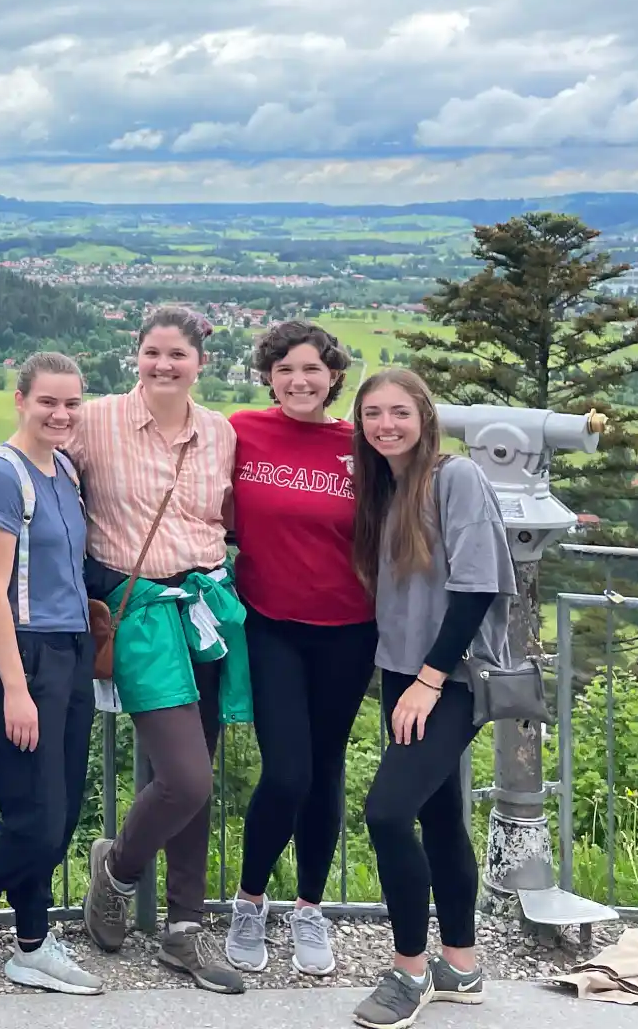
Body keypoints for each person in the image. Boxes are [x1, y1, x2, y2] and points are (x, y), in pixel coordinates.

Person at [77, 306, 247, 994]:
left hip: (205, 606)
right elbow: (34, 452)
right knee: (188, 776)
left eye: (177, 355)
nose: (163, 365)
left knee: (197, 772)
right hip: (140, 608)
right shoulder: (96, 422)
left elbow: (228, 516)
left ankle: (182, 928)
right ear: (136, 356)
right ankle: (116, 870)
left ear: (200, 361)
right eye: (152, 353)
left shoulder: (221, 434)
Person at [348, 369, 511, 1029]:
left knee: (387, 814)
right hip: (404, 674)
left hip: (448, 677)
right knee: (439, 816)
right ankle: (461, 968)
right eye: (372, 414)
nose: (385, 424)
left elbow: (475, 588)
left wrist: (430, 680)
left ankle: (408, 972)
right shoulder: (388, 488)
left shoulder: (456, 478)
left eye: (399, 412)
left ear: (424, 415)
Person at [0, 352, 101, 996]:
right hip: (21, 653)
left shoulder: (63, 467)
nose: (60, 415)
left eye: (71, 403)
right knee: (35, 811)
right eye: (48, 403)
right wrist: (13, 686)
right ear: (20, 400)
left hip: (72, 649)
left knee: (60, 811)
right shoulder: (2, 476)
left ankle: (21, 931)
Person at [224, 320, 369, 978]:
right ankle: (250, 899)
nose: (299, 381)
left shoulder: (361, 446)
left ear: (333, 375)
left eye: (311, 369)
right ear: (268, 377)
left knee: (327, 769)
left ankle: (309, 907)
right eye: (285, 370)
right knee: (288, 771)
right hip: (271, 623)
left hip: (349, 627)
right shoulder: (241, 433)